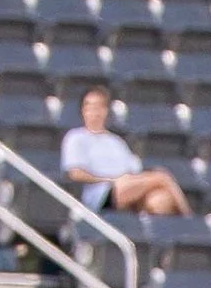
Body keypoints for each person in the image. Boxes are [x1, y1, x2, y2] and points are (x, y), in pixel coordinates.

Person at [57, 86, 188, 220]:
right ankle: (189, 219)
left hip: (127, 187)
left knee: (160, 201)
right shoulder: (75, 137)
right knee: (162, 176)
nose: (94, 112)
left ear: (105, 111)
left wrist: (127, 181)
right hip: (100, 194)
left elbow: (133, 170)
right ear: (83, 110)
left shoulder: (116, 141)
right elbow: (75, 173)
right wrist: (110, 180)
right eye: (89, 106)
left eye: (99, 107)